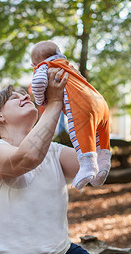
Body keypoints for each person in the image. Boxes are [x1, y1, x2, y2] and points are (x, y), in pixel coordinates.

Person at [0, 68, 120, 254]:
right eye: (15, 97)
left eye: (26, 95)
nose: (25, 97)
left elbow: (93, 169)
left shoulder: (54, 151)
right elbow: (27, 158)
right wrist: (55, 103)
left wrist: (83, 102)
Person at [31, 40, 111, 191]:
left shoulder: (44, 67)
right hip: (100, 101)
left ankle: (88, 167)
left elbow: (38, 83)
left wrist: (41, 100)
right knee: (101, 138)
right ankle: (104, 163)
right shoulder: (68, 66)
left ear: (35, 63)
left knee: (82, 134)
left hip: (82, 106)